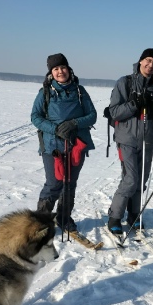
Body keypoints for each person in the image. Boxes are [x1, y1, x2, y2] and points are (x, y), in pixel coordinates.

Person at [31, 53, 97, 232]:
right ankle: (41, 221)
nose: (60, 71)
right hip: (52, 147)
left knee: (70, 183)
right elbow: (35, 117)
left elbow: (92, 116)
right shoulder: (45, 92)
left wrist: (74, 123)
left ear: (69, 69)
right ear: (51, 73)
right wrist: (55, 128)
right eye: (56, 69)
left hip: (76, 145)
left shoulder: (80, 91)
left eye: (63, 67)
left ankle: (64, 218)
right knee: (54, 184)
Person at [106, 48, 153, 235]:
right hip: (127, 139)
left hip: (147, 140)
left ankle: (134, 214)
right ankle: (115, 216)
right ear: (140, 61)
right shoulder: (124, 82)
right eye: (148, 60)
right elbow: (114, 112)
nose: (150, 65)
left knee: (141, 180)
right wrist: (134, 104)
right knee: (131, 179)